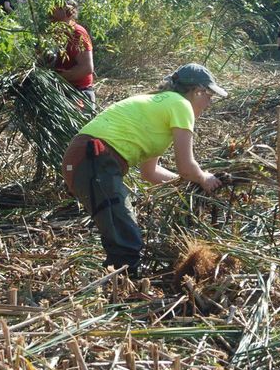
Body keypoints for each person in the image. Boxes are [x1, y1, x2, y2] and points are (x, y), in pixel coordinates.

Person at [61, 63, 225, 276]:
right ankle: (123, 297)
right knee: (126, 239)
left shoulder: (162, 107)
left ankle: (121, 286)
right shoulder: (181, 105)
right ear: (197, 91)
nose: (209, 103)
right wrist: (204, 178)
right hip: (95, 157)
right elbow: (186, 167)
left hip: (86, 159)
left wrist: (188, 185)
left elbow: (151, 173)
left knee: (123, 232)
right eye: (209, 96)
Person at [40, 0, 96, 109]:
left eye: (54, 7)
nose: (50, 11)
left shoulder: (77, 33)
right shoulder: (55, 32)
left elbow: (86, 68)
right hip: (61, 92)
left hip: (79, 94)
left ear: (66, 10)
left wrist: (56, 78)